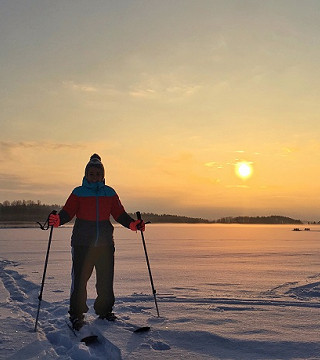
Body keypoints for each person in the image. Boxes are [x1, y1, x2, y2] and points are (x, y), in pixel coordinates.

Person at [49, 153, 145, 330]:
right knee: (80, 280)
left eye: (97, 174)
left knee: (106, 280)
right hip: (82, 244)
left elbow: (119, 214)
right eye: (91, 173)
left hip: (105, 244)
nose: (94, 177)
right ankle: (76, 315)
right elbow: (67, 212)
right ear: (86, 174)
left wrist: (133, 224)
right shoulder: (78, 192)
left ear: (103, 175)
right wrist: (57, 220)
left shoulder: (110, 193)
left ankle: (104, 311)